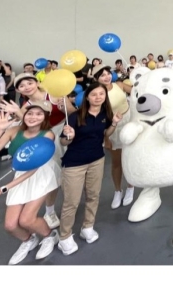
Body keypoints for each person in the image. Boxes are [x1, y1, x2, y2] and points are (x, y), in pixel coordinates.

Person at [0, 102, 60, 264]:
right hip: (21, 173)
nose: (33, 117)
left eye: (38, 114)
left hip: (41, 174)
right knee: (10, 225)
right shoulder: (13, 131)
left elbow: (34, 169)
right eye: (29, 113)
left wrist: (1, 190)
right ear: (23, 115)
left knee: (26, 220)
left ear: (45, 117)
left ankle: (50, 236)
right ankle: (28, 240)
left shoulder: (47, 135)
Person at [0, 72, 77, 230]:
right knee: (52, 173)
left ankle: (71, 201)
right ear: (19, 91)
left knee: (68, 170)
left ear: (36, 82)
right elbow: (27, 127)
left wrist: (64, 108)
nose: (26, 87)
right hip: (45, 139)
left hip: (63, 131)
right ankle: (50, 210)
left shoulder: (55, 94)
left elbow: (73, 114)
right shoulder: (25, 107)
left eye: (29, 83)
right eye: (21, 86)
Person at [57, 82, 121, 255]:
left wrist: (114, 123)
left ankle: (88, 227)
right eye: (94, 94)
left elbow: (105, 134)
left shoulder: (105, 114)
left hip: (97, 160)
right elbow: (63, 141)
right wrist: (69, 136)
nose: (98, 97)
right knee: (72, 202)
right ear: (87, 97)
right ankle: (64, 237)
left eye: (101, 94)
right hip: (74, 163)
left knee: (93, 195)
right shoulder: (75, 116)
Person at [92, 65, 134, 209]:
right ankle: (117, 191)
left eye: (108, 73)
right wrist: (106, 138)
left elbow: (137, 90)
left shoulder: (119, 84)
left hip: (129, 122)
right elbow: (97, 116)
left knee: (130, 158)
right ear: (96, 78)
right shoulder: (97, 93)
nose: (106, 76)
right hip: (112, 127)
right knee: (116, 162)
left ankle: (130, 187)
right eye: (102, 75)